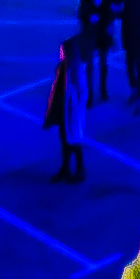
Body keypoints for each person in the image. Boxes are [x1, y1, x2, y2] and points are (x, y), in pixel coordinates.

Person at [44, 35, 88, 181]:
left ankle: (80, 170)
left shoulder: (76, 70)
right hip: (63, 110)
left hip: (72, 112)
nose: (60, 53)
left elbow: (82, 93)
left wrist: (73, 102)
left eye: (62, 51)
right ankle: (65, 168)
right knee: (66, 140)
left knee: (74, 140)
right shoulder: (63, 67)